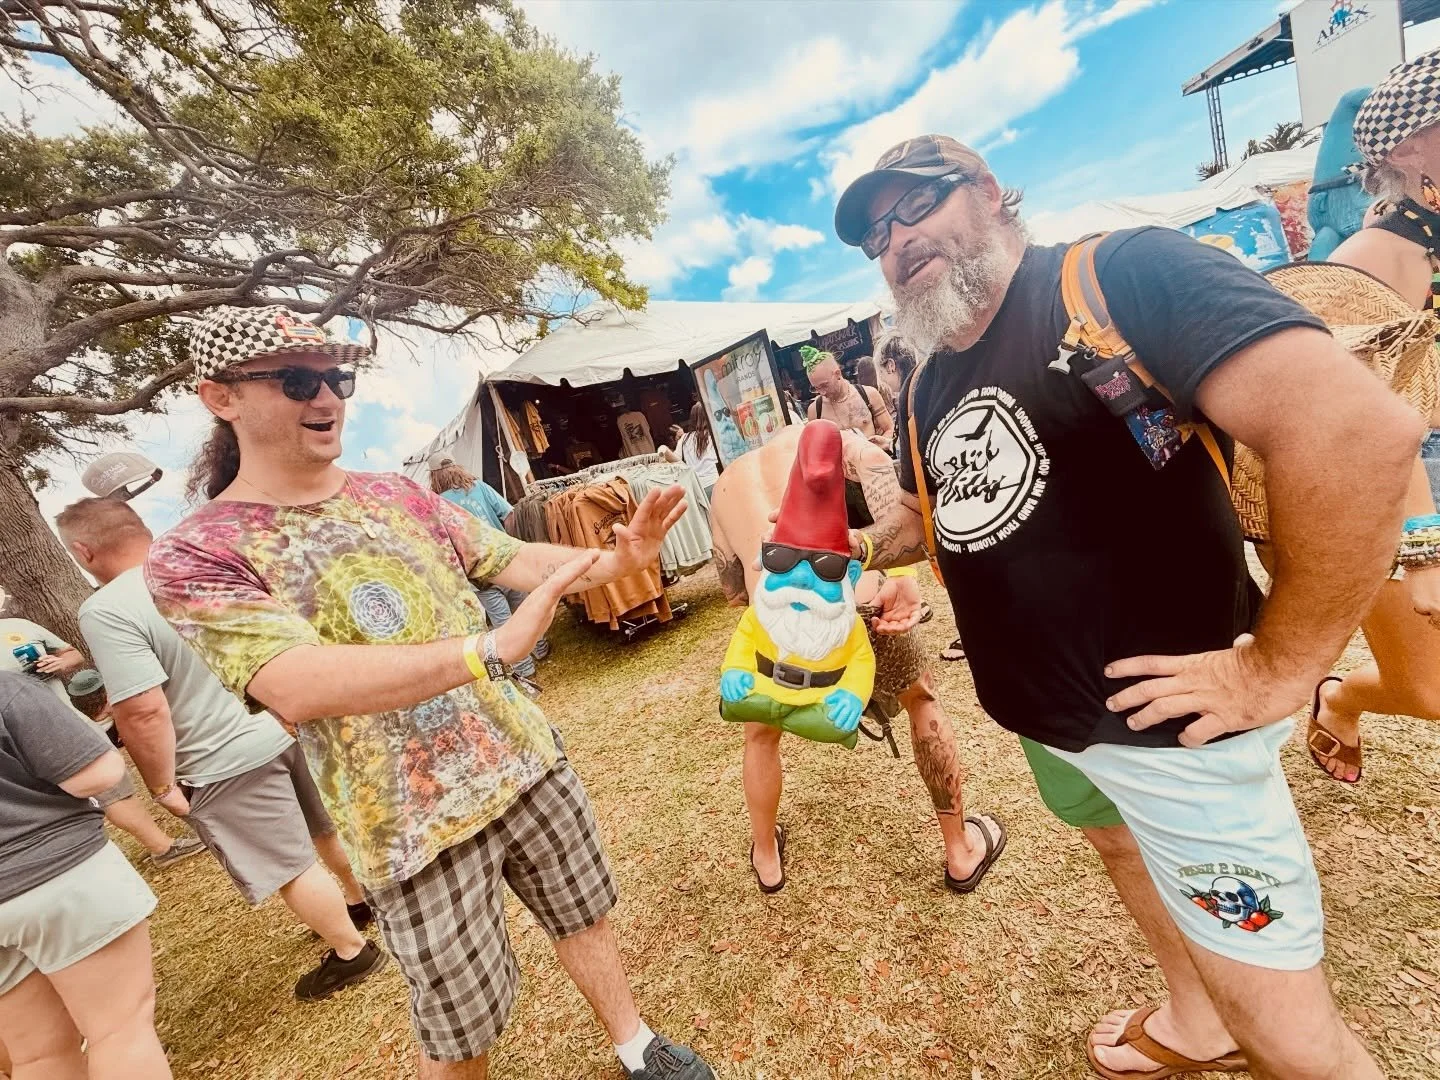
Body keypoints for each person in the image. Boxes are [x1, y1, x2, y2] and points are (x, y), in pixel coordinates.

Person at [832, 134, 1422, 1078]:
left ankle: (1235, 1022)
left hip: (1171, 730)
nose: (895, 240)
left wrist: (1281, 665)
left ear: (988, 189)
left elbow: (1358, 432)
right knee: (1116, 848)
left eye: (914, 206)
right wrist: (857, 549)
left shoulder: (1117, 277)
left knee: (1292, 1041)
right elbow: (922, 516)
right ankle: (1196, 1017)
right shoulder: (928, 382)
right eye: (875, 235)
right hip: (1047, 720)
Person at [144, 305, 712, 1080]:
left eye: (337, 379)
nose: (327, 398)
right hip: (409, 823)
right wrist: (485, 651)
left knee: (584, 914)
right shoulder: (196, 551)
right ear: (221, 397)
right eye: (298, 380)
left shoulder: (397, 495)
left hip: (524, 762)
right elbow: (294, 683)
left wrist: (614, 565)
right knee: (460, 1022)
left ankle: (635, 1045)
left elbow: (512, 559)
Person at [57, 497, 386, 1001]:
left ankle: (351, 950)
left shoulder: (106, 610)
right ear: (139, 527)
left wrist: (161, 784)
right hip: (282, 724)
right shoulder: (199, 565)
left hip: (221, 759)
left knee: (286, 864)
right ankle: (360, 899)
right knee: (324, 829)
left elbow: (143, 710)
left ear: (84, 551)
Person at [711, 423, 1002, 894]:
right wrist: (903, 577)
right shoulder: (837, 440)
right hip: (864, 603)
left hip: (775, 622)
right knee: (921, 700)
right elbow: (890, 493)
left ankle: (765, 855)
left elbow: (734, 591)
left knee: (760, 736)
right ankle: (959, 850)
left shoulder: (726, 485)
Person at [1296, 48, 1440, 782]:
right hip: (1396, 492)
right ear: (1407, 149)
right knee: (1431, 691)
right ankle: (1339, 698)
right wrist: (1423, 551)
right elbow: (1366, 414)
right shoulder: (1376, 256)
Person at [0, 672, 172, 1080]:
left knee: (37, 1055)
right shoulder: (8, 692)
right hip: (59, 874)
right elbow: (97, 774)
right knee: (119, 1029)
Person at [0, 590, 202, 868]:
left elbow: (73, 655)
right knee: (101, 789)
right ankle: (162, 848)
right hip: (24, 736)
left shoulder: (20, 626)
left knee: (114, 783)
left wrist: (59, 663)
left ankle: (165, 841)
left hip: (68, 719)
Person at [428, 456, 549, 682]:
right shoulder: (479, 487)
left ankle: (526, 670)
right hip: (505, 560)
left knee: (503, 622)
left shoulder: (436, 505)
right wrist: (508, 542)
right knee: (524, 608)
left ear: (433, 476)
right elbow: (509, 514)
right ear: (457, 467)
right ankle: (540, 648)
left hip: (478, 574)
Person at [803, 346, 894, 447]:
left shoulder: (869, 394)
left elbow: (889, 428)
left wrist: (883, 444)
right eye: (816, 388)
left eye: (825, 385)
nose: (822, 392)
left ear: (837, 374)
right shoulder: (815, 411)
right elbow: (817, 447)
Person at [666, 402, 720, 504]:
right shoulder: (714, 433)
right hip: (717, 482)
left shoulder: (684, 438)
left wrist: (665, 451)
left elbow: (675, 460)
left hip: (698, 489)